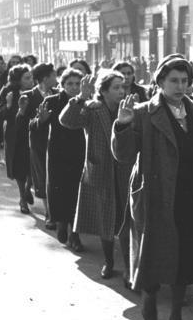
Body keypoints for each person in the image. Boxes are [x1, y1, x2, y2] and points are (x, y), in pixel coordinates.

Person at [111, 55, 193, 320]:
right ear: (160, 82)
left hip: (190, 192)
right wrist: (122, 126)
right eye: (174, 80)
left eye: (185, 81)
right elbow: (123, 156)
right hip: (157, 194)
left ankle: (175, 316)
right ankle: (148, 293)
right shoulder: (144, 112)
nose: (180, 86)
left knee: (185, 255)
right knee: (154, 251)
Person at [59, 71, 135, 285]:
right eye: (116, 88)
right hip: (100, 172)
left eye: (123, 87)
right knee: (105, 220)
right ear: (103, 91)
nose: (121, 91)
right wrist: (81, 97)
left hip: (125, 171)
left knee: (127, 220)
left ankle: (129, 269)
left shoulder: (129, 108)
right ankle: (109, 262)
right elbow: (67, 121)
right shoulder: (93, 109)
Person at [38, 68, 88, 250]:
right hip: (57, 153)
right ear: (62, 84)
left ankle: (75, 234)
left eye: (77, 84)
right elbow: (36, 128)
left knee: (76, 192)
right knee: (59, 191)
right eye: (70, 84)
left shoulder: (87, 102)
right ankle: (60, 223)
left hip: (79, 151)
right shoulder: (51, 101)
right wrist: (41, 121)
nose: (74, 87)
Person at [23, 63, 58, 229]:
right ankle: (49, 213)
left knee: (55, 177)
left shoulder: (58, 94)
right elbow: (24, 123)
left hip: (57, 142)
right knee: (42, 177)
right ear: (45, 78)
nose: (56, 78)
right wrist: (39, 121)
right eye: (53, 75)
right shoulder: (28, 96)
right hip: (38, 144)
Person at [0, 64, 34, 213]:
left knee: (32, 166)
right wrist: (9, 105)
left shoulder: (34, 91)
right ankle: (22, 198)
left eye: (31, 77)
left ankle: (27, 188)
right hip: (15, 134)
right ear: (18, 80)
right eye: (27, 78)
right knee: (19, 167)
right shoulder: (7, 91)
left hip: (31, 131)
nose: (31, 80)